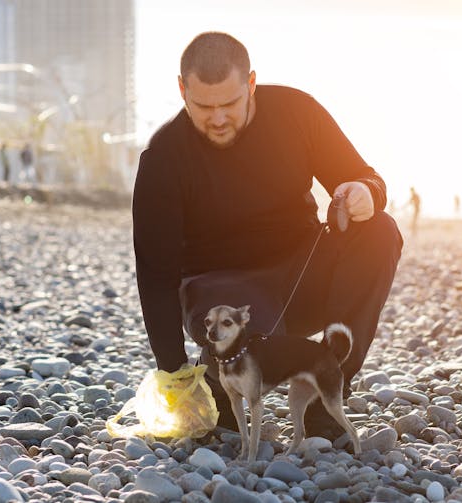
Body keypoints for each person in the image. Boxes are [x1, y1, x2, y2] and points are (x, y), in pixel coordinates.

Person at [132, 32, 403, 438]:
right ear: (182, 90)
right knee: (224, 422)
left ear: (251, 84)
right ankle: (222, 391)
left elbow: (364, 176)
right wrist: (174, 373)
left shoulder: (297, 112)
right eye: (204, 106)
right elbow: (155, 276)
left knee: (380, 230)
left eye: (230, 103)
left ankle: (325, 401)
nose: (218, 118)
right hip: (224, 296)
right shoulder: (163, 158)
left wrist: (366, 192)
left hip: (301, 274)